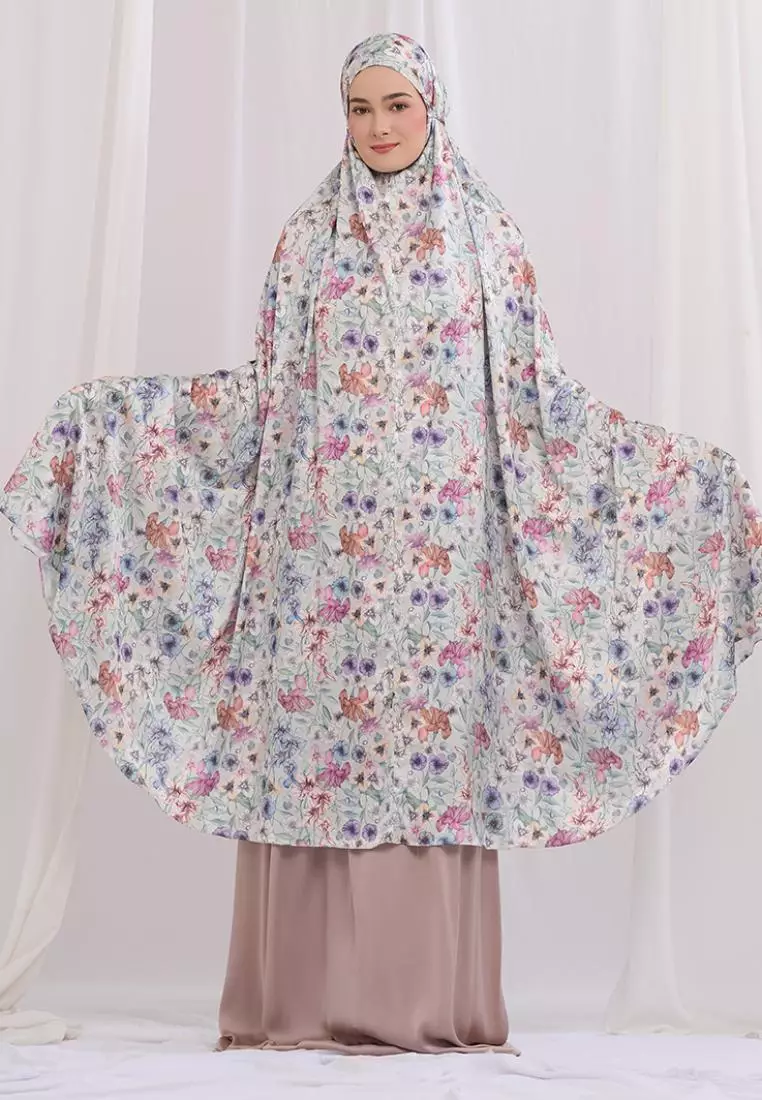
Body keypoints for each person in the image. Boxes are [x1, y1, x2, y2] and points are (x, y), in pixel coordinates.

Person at [1, 32, 761, 1056]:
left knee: (429, 748)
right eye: (360, 109)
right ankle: (296, 1003)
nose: (380, 126)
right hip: (318, 561)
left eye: (397, 105)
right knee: (317, 749)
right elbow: (264, 400)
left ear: (432, 108)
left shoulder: (487, 238)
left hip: (448, 565)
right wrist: (112, 426)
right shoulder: (306, 240)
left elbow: (538, 405)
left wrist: (688, 481)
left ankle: (424, 1004)